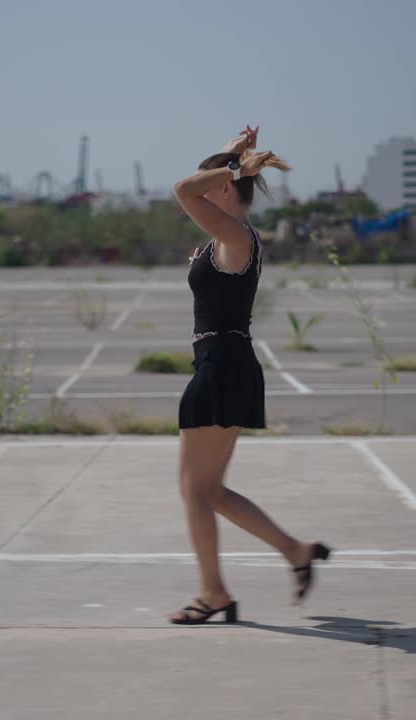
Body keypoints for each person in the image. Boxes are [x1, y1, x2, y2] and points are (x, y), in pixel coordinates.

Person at [167, 126, 331, 625]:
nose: (201, 182)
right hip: (226, 364)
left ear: (221, 190)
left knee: (196, 491)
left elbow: (181, 189)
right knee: (210, 490)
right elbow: (197, 189)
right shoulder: (229, 239)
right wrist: (236, 153)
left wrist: (238, 167)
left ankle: (214, 592)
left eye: (210, 178)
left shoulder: (236, 237)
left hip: (222, 367)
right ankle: (296, 552)